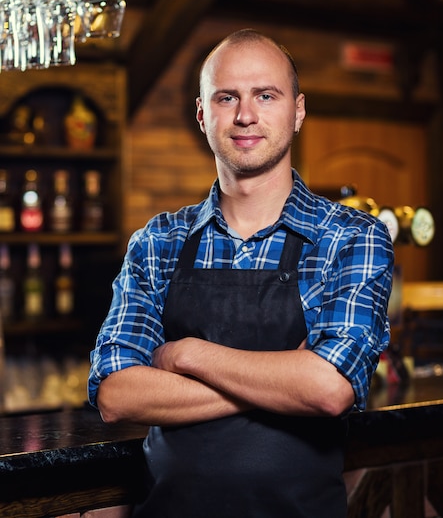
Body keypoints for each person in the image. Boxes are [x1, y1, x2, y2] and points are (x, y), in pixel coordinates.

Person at [88, 28, 394, 518]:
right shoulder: (157, 241)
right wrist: (282, 378)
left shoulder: (350, 237)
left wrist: (188, 354)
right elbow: (117, 395)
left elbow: (329, 389)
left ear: (297, 111)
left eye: (265, 95)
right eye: (226, 97)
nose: (245, 115)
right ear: (202, 114)